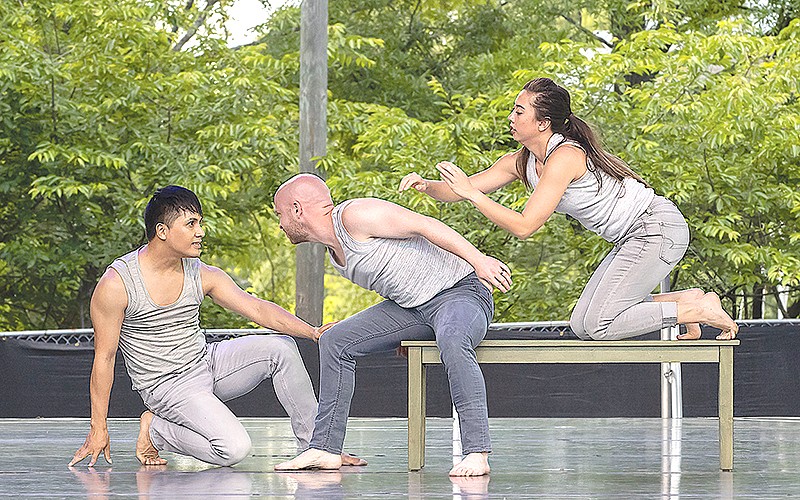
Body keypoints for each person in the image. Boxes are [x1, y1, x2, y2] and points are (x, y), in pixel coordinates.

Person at [399, 77, 737, 341]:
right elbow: (461, 190)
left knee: (600, 323)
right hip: (633, 237)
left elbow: (524, 225)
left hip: (656, 229)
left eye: (519, 111)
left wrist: (473, 195)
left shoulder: (565, 156)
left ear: (543, 122)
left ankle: (696, 310)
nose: (511, 117)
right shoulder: (523, 162)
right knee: (583, 324)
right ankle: (690, 301)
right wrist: (426, 185)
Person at [68, 186, 366, 468]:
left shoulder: (201, 273)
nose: (201, 232)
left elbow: (258, 309)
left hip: (205, 362)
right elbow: (104, 359)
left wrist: (313, 332)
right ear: (162, 231)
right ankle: (156, 430)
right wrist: (98, 428)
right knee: (234, 448)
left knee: (281, 348)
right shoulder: (116, 285)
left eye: (200, 223)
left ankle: (318, 447)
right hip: (167, 386)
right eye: (191, 224)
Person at [271, 174, 512, 476]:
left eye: (279, 214)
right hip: (413, 309)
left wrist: (479, 261)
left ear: (296, 210)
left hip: (460, 291)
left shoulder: (354, 215)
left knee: (452, 338)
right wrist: (396, 332)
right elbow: (398, 280)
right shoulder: (335, 253)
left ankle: (476, 452)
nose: (279, 223)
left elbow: (426, 225)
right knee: (335, 341)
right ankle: (324, 449)